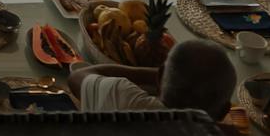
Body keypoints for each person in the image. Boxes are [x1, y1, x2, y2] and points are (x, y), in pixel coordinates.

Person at [73, 35, 239, 121]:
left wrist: (163, 74)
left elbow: (78, 76)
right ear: (224, 112)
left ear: (159, 78)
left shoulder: (128, 101)